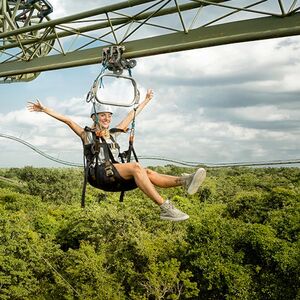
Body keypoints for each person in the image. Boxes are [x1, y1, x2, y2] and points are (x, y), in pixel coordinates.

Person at [27, 89, 206, 221]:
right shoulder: (86, 135)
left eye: (109, 116)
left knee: (148, 172)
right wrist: (44, 109)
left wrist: (146, 100)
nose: (107, 118)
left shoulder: (113, 134)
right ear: (94, 118)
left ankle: (184, 181)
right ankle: (166, 208)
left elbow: (131, 116)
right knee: (136, 167)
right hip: (100, 175)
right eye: (103, 115)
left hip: (115, 175)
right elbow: (67, 120)